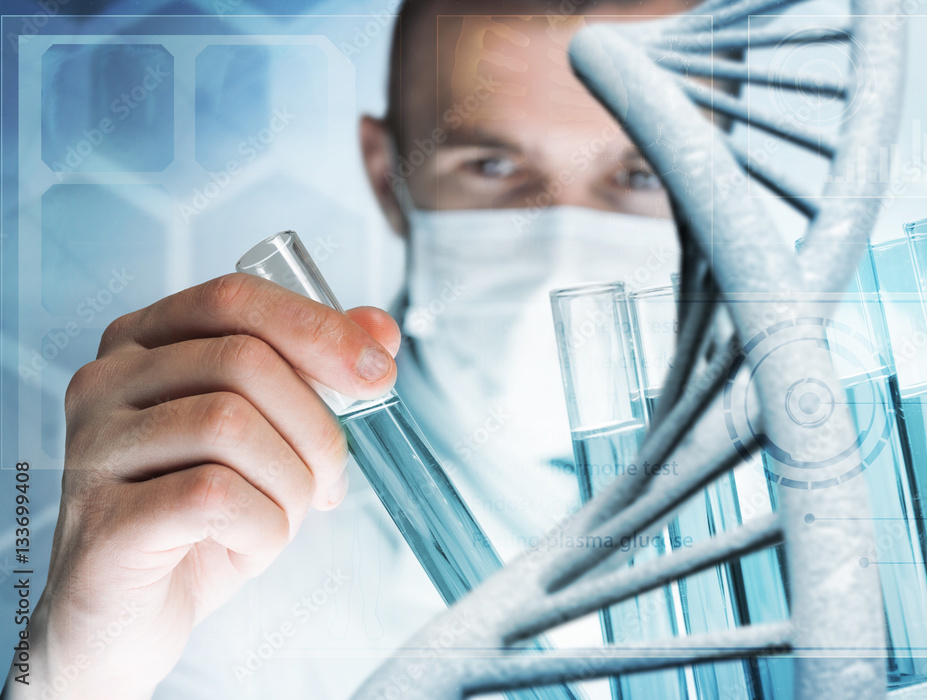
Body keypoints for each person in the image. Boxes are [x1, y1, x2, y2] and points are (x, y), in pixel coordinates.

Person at [5, 0, 692, 697]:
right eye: (491, 164)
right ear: (387, 171)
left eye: (640, 174)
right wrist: (69, 671)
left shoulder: (791, 492)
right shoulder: (219, 548)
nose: (558, 245)